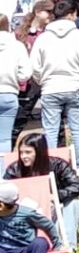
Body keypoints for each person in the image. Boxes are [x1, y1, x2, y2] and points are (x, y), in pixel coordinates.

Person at [31, 0, 79, 168]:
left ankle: (51, 165)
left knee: (51, 131)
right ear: (72, 14)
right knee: (78, 129)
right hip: (74, 85)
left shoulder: (43, 38)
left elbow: (35, 67)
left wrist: (43, 80)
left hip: (50, 87)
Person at [6, 131, 79, 249]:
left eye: (28, 152)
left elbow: (78, 186)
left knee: (74, 202)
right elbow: (5, 192)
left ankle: (67, 247)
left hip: (55, 209)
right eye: (21, 152)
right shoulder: (14, 169)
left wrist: (55, 196)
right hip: (26, 213)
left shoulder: (58, 165)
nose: (23, 156)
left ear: (39, 152)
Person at [0, 15, 28, 154]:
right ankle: (1, 171)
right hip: (9, 92)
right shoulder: (17, 46)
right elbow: (26, 73)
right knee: (4, 139)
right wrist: (16, 78)